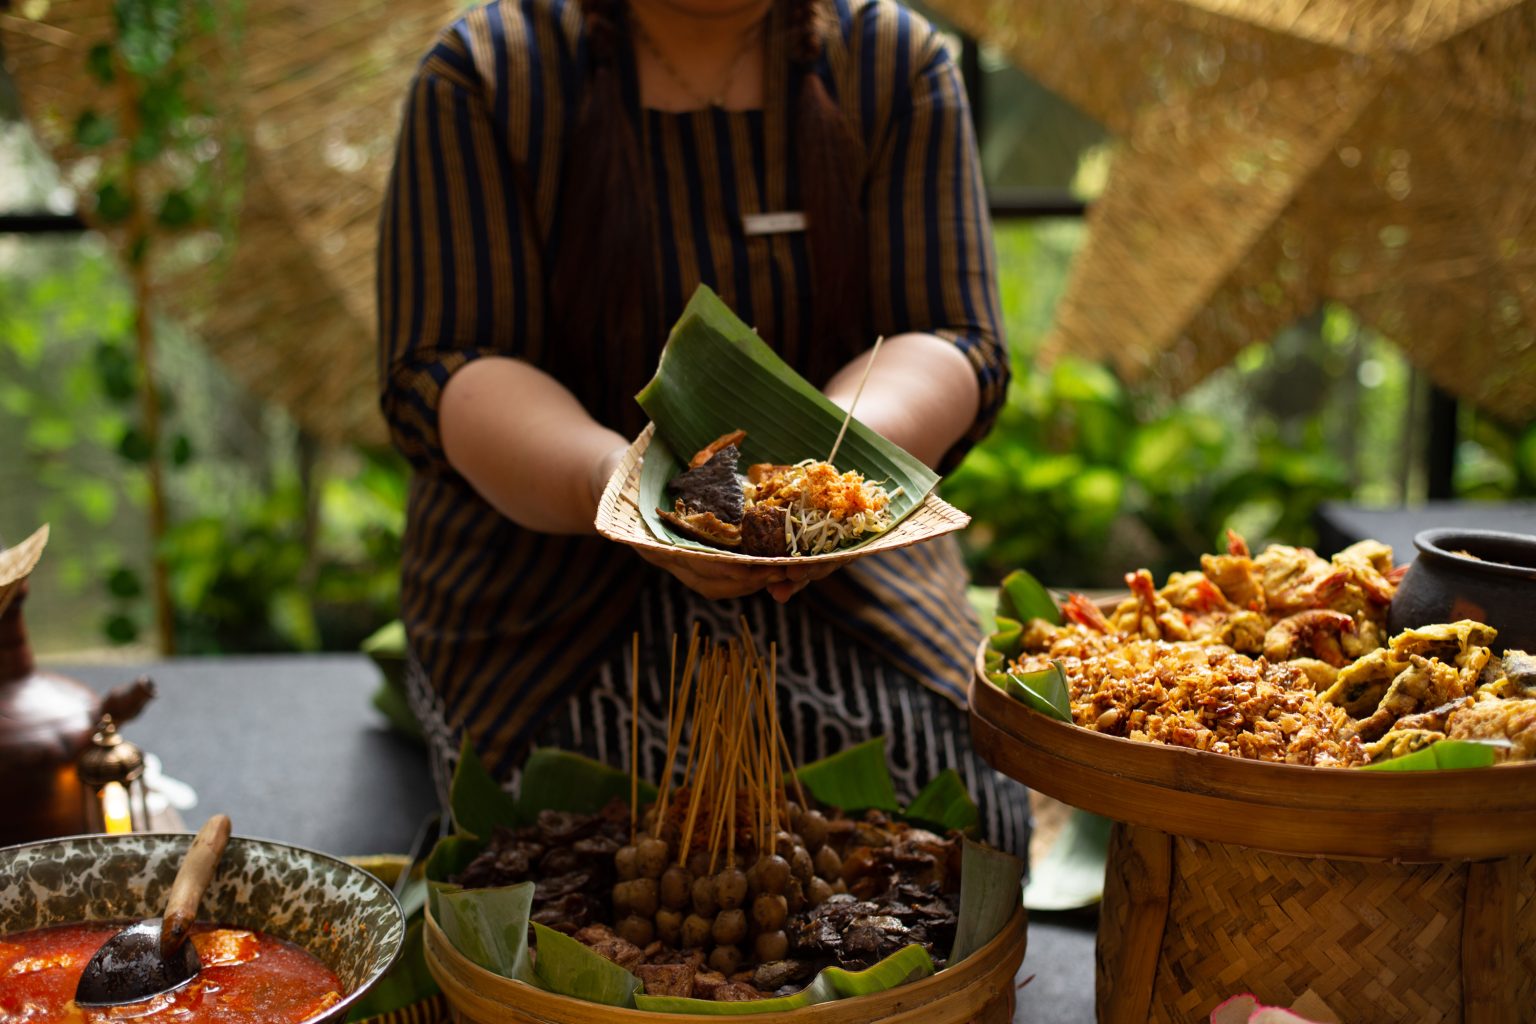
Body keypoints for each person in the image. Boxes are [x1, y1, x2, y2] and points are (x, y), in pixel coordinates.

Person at [378, 0, 1028, 853]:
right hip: (548, 586)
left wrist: (826, 478)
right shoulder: (494, 72)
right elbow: (449, 362)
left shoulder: (890, 62)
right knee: (592, 852)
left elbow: (950, 335)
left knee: (957, 827)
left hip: (846, 582)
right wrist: (617, 489)